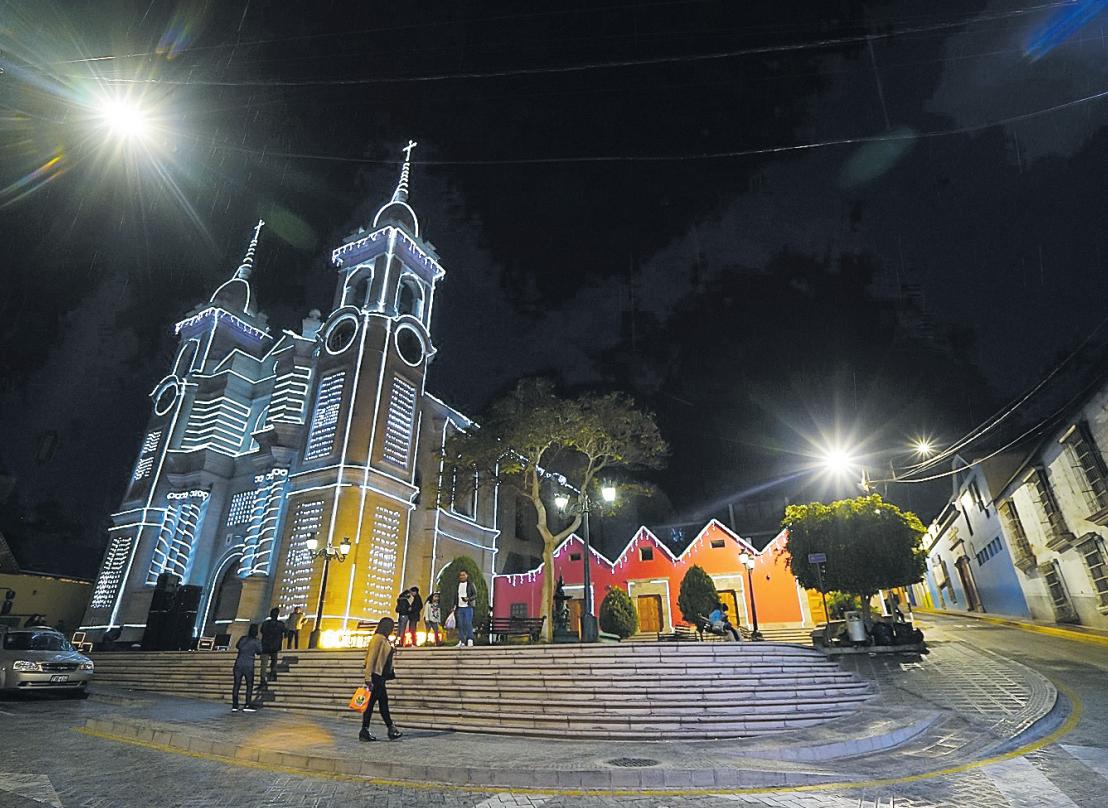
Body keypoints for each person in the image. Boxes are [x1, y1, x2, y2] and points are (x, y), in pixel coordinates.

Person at [359, 618, 402, 742]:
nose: (392, 630)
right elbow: (371, 657)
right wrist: (368, 677)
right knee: (377, 703)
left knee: (379, 703)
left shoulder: (384, 639)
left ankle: (370, 730)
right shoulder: (378, 638)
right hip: (376, 676)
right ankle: (389, 729)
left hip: (380, 676)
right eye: (391, 627)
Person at [232, 624, 262, 712]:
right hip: (249, 664)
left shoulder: (243, 638)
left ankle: (235, 704)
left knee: (236, 684)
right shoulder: (256, 641)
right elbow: (260, 651)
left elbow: (238, 646)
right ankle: (247, 704)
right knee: (249, 685)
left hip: (238, 663)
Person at [450, 569, 477, 647]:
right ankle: (462, 641)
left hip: (468, 607)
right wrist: (454, 606)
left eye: (463, 575)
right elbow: (455, 596)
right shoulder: (457, 585)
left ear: (467, 576)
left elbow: (475, 595)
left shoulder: (470, 584)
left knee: (468, 623)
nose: (462, 577)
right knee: (460, 624)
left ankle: (470, 639)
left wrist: (468, 599)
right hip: (459, 607)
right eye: (460, 575)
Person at [259, 607, 285, 685]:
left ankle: (263, 679)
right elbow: (285, 632)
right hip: (275, 646)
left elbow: (262, 631)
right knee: (274, 661)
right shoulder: (280, 624)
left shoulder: (265, 623)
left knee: (264, 664)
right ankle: (273, 674)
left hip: (266, 646)